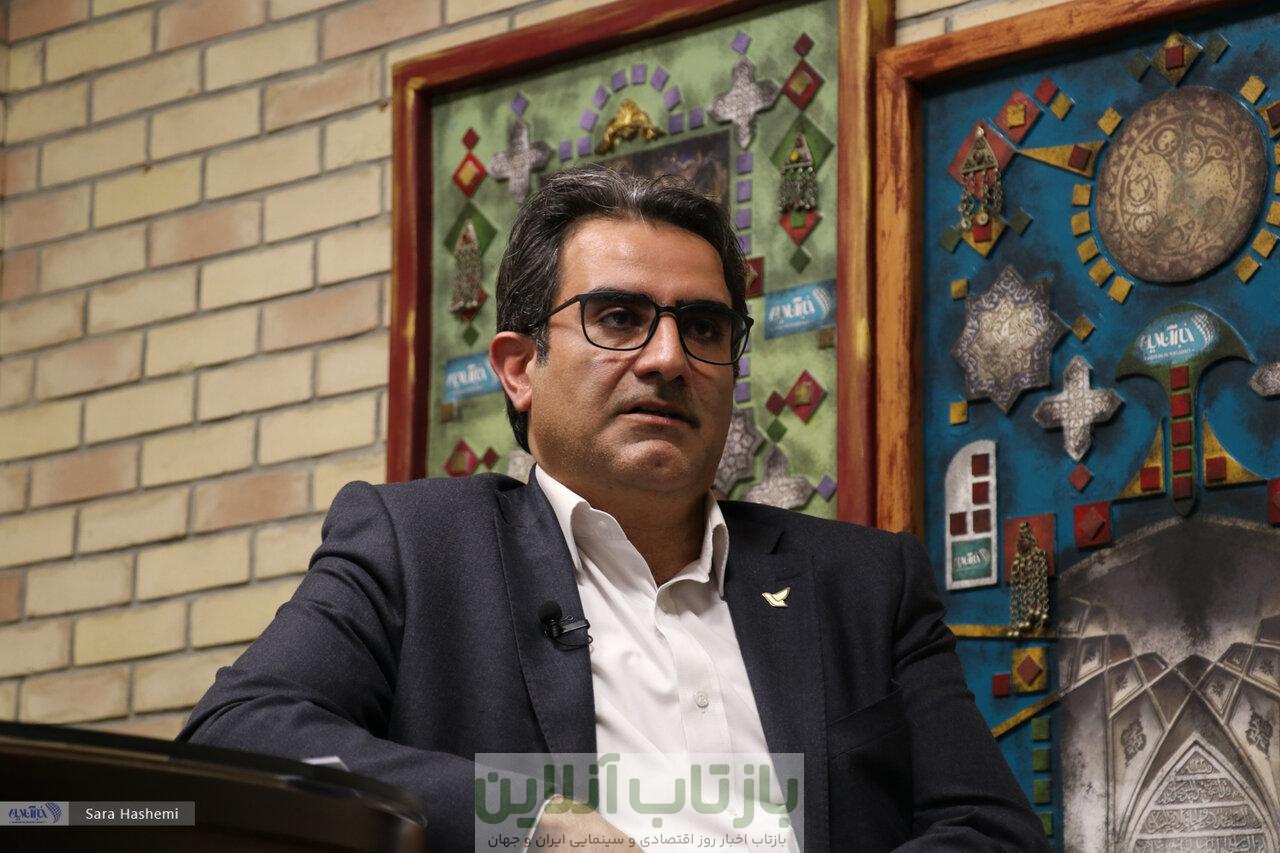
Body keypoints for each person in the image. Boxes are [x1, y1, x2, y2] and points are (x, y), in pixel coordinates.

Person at [179, 167, 1047, 852]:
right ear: (519, 367)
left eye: (703, 327)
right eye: (620, 318)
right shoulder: (417, 547)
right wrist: (525, 819)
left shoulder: (862, 581)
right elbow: (232, 738)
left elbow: (990, 828)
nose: (669, 357)